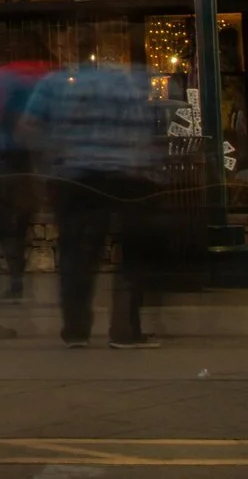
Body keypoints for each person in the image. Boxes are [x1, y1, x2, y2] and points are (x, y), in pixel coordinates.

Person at [25, 58, 163, 349]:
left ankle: (76, 329)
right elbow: (143, 134)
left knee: (76, 252)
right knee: (134, 252)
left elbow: (28, 126)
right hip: (125, 176)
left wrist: (48, 163)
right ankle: (126, 328)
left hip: (76, 178)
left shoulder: (55, 84)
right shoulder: (128, 83)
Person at [0, 48, 54, 334]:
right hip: (20, 170)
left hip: (5, 169)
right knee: (16, 228)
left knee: (3, 230)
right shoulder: (34, 82)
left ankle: (3, 291)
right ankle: (13, 281)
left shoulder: (3, 83)